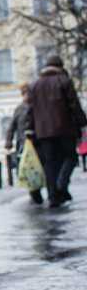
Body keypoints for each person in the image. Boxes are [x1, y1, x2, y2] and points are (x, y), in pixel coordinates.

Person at [28, 55, 87, 207]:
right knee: (71, 158)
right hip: (64, 129)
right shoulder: (64, 81)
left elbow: (31, 110)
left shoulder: (35, 84)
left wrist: (30, 129)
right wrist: (82, 122)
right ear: (60, 66)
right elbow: (74, 104)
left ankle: (53, 196)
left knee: (50, 163)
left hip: (43, 133)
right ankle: (61, 184)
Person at [5, 83, 42, 204]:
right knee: (26, 167)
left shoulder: (38, 106)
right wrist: (8, 141)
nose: (27, 95)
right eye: (25, 93)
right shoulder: (19, 108)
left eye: (28, 92)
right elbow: (12, 126)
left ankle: (37, 190)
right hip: (23, 144)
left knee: (38, 167)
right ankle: (34, 192)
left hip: (38, 142)